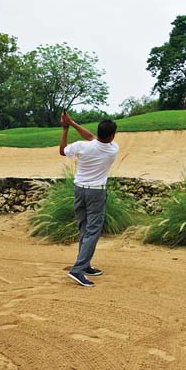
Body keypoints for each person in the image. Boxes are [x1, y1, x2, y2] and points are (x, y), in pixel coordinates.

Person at [59, 110, 119, 287]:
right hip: (96, 193)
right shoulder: (113, 149)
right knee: (93, 231)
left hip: (79, 190)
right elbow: (92, 137)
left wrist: (66, 127)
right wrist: (71, 123)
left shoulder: (82, 146)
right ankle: (77, 270)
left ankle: (85, 265)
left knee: (85, 228)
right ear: (112, 135)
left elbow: (63, 151)